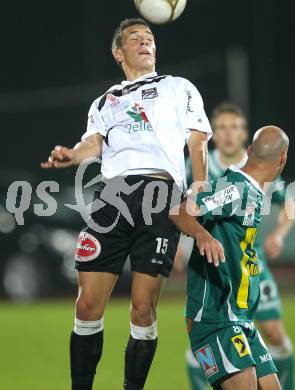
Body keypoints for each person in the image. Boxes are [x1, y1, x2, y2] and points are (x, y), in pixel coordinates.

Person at [41, 18, 212, 390]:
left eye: (149, 37)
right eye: (135, 38)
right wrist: (72, 154)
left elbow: (198, 140)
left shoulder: (178, 88)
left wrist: (198, 187)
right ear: (119, 53)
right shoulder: (105, 101)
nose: (145, 42)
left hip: (160, 194)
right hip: (112, 196)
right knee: (86, 305)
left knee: (142, 308)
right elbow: (93, 144)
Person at [183, 103, 295, 390]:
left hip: (241, 318)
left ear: (248, 149)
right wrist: (201, 235)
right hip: (217, 317)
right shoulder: (235, 188)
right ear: (282, 159)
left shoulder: (251, 188)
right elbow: (180, 210)